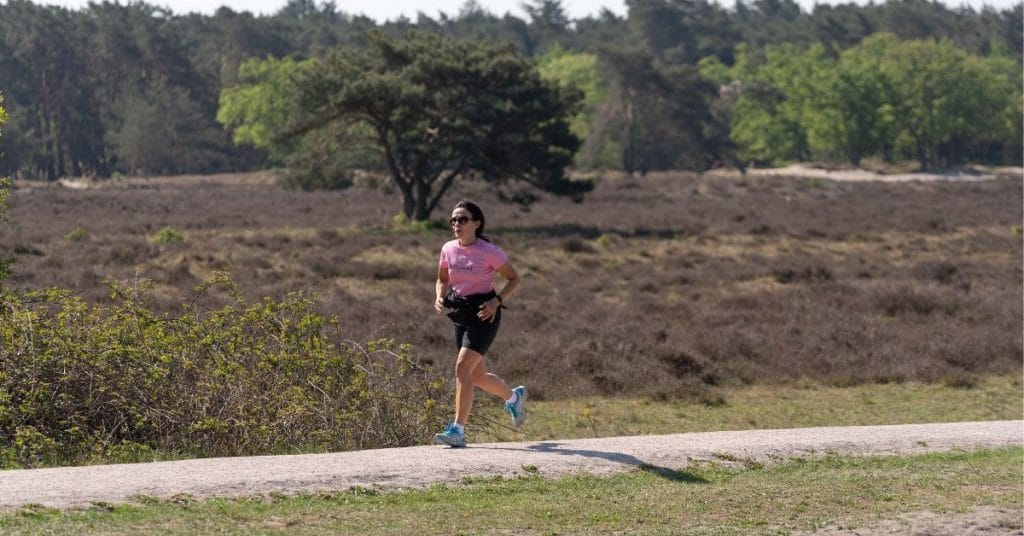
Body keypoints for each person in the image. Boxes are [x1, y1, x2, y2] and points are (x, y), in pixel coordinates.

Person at [432, 200, 526, 448]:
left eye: (462, 219)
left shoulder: (489, 251)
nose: (456, 224)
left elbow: (514, 279)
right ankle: (514, 397)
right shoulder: (448, 249)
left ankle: (458, 431)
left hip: (485, 313)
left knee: (462, 368)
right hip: (461, 314)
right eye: (453, 220)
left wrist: (497, 302)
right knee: (476, 375)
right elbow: (442, 279)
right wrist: (440, 296)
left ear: (477, 223)